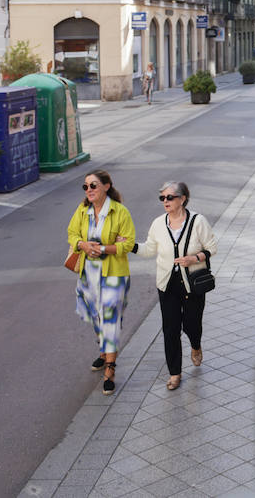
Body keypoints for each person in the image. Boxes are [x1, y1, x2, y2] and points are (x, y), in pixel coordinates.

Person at [135, 181, 218, 391]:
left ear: (183, 199)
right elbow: (149, 250)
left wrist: (194, 258)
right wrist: (131, 246)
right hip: (167, 284)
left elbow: (212, 248)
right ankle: (175, 373)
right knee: (170, 330)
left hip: (191, 285)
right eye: (162, 198)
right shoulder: (158, 224)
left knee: (192, 325)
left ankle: (196, 344)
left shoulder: (198, 221)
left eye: (170, 197)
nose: (165, 201)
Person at [67, 169, 137, 394]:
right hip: (88, 274)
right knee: (92, 315)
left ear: (106, 186)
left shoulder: (120, 212)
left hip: (114, 274)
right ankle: (103, 351)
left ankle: (110, 368)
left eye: (93, 185)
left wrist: (105, 248)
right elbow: (72, 233)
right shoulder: (83, 210)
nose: (89, 190)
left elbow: (127, 244)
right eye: (86, 186)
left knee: (110, 320)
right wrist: (83, 245)